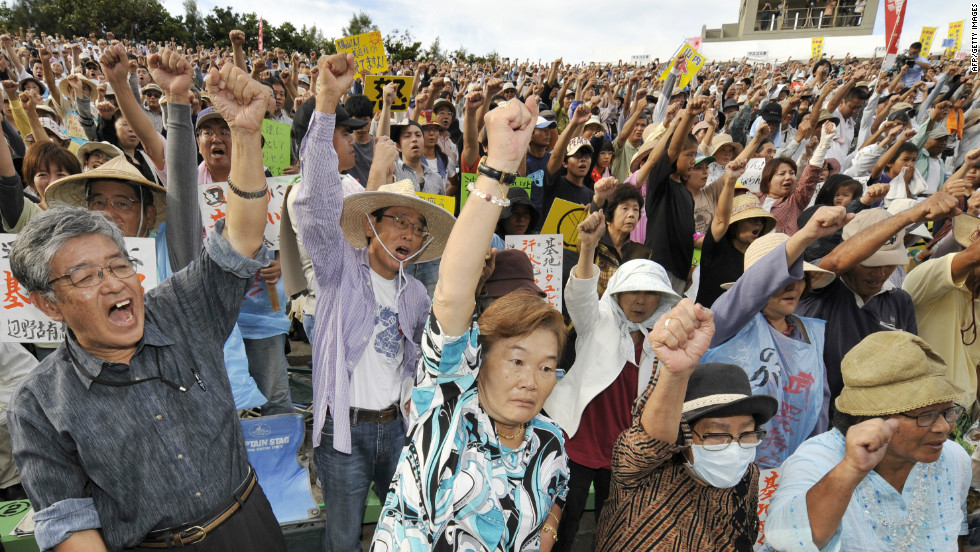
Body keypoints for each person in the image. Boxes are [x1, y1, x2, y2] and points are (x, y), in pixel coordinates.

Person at [6, 59, 286, 552]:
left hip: (251, 527)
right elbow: (67, 522)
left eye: (117, 266)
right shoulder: (39, 404)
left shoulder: (180, 306)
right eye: (86, 276)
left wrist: (246, 135)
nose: (115, 285)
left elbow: (241, 237)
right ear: (49, 305)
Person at [372, 93, 570, 551]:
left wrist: (549, 528)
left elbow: (556, 491)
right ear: (479, 355)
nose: (532, 382)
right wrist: (499, 167)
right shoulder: (448, 402)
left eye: (546, 367)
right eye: (517, 361)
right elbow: (453, 291)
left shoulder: (550, 439)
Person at [293, 53, 455, 552]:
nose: (408, 233)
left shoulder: (417, 293)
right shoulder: (339, 269)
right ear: (370, 225)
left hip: (398, 431)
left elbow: (422, 361)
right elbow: (319, 197)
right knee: (343, 541)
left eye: (416, 227)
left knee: (406, 536)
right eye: (398, 222)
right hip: (344, 433)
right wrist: (326, 104)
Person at [594, 300, 778, 551]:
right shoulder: (643, 472)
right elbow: (649, 441)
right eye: (717, 434)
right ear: (685, 435)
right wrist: (676, 374)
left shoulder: (747, 475)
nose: (735, 449)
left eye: (746, 434)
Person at [546, 210, 680, 552]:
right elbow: (579, 297)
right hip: (575, 441)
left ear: (662, 299)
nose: (640, 300)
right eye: (632, 291)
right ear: (618, 292)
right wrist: (588, 247)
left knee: (613, 522)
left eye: (650, 294)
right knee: (565, 520)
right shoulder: (599, 317)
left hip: (622, 451)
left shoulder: (659, 339)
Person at [765, 331, 970, 551]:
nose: (944, 427)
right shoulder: (818, 460)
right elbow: (784, 540)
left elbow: (954, 534)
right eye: (926, 415)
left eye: (949, 411)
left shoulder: (953, 458)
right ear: (871, 418)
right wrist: (850, 470)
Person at [704, 206, 849, 468]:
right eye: (780, 280)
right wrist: (806, 236)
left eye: (800, 278)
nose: (793, 286)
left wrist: (814, 462)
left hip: (793, 467)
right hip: (735, 464)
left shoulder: (808, 334)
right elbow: (752, 289)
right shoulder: (729, 322)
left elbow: (818, 405)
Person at [799, 193, 960, 402]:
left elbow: (908, 364)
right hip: (814, 411)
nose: (880, 273)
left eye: (889, 263)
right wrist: (909, 216)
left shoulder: (900, 301)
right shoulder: (819, 285)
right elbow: (835, 263)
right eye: (870, 264)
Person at [902, 212, 980, 413]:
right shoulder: (928, 276)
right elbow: (972, 257)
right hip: (924, 413)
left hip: (965, 415)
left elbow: (976, 364)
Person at [696, 160, 776, 307]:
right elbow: (720, 219)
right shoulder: (717, 247)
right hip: (707, 321)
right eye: (751, 219)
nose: (758, 223)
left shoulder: (758, 259)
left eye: (761, 220)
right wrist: (731, 180)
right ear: (734, 224)